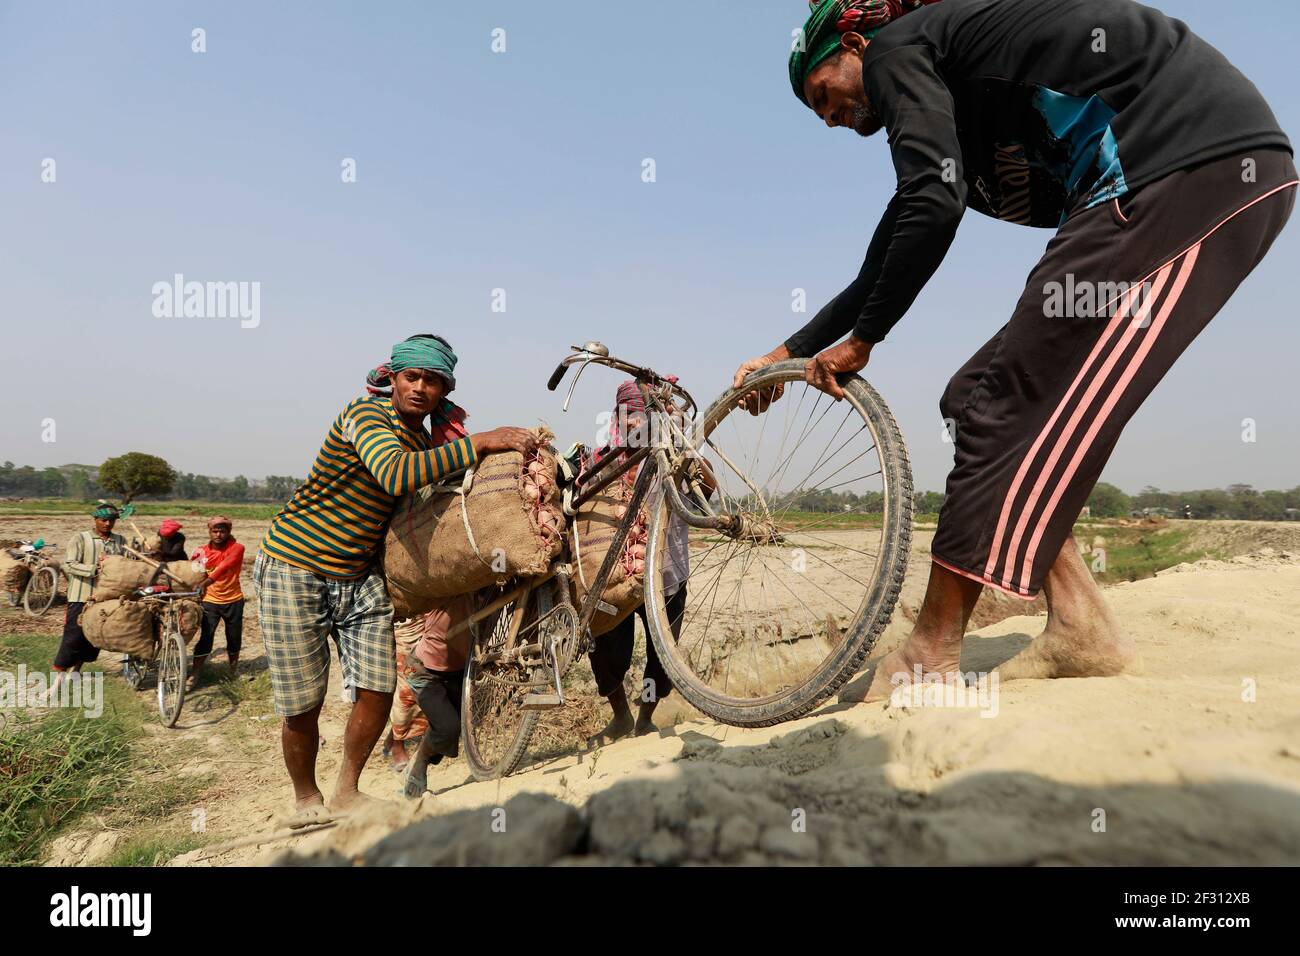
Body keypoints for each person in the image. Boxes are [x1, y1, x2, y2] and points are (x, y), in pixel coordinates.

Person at [734, 0, 1295, 701]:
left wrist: (865, 340)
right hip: (1174, 177)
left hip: (1182, 166)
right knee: (974, 399)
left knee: (1002, 405)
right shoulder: (951, 93)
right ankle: (1080, 625)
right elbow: (895, 241)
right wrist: (786, 352)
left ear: (854, 39)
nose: (829, 118)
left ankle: (929, 654)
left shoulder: (899, 46)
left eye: (823, 93)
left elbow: (932, 204)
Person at [254, 334, 538, 822]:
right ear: (393, 379)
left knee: (378, 687)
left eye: (432, 381)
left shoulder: (424, 440)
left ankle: (347, 790)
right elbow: (395, 475)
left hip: (359, 574)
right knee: (304, 700)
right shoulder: (365, 415)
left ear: (443, 389)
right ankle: (305, 799)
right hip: (294, 566)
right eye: (412, 377)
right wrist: (481, 441)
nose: (420, 388)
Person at [585, 380, 716, 747]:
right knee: (604, 642)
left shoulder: (673, 459)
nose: (634, 423)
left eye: (642, 415)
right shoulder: (601, 461)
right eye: (628, 415)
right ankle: (620, 716)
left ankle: (645, 718)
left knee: (663, 652)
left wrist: (681, 440)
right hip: (614, 573)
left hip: (667, 571)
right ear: (618, 416)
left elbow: (708, 487)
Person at [400, 595, 472, 799]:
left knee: (453, 727)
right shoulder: (449, 587)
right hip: (424, 670)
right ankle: (420, 762)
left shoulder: (489, 588)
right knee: (448, 727)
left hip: (459, 671)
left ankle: (421, 755)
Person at [50, 504, 126, 696]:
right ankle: (57, 681)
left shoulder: (120, 540)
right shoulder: (81, 538)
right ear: (95, 520)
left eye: (112, 520)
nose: (108, 524)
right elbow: (69, 564)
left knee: (92, 637)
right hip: (81, 595)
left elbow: (125, 564)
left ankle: (76, 671)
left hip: (105, 598)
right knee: (73, 637)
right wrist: (94, 570)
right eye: (104, 520)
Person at [189, 515, 246, 689]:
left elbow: (224, 568)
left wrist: (205, 583)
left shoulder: (237, 548)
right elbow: (194, 573)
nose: (219, 534)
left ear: (229, 532)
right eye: (215, 531)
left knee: (234, 637)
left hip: (233, 599)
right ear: (209, 531)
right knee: (206, 636)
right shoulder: (200, 552)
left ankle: (233, 670)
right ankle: (195, 674)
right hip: (210, 600)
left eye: (222, 531)